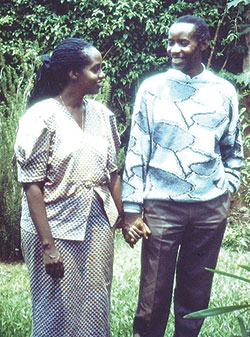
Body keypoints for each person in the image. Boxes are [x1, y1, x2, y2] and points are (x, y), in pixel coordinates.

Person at [121, 15, 243, 337]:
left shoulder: (224, 91)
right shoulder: (152, 89)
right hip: (162, 206)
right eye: (170, 42)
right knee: (152, 296)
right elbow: (137, 147)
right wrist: (132, 208)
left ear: (203, 44)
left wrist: (227, 185)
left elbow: (233, 148)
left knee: (196, 293)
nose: (174, 49)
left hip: (209, 208)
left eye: (183, 42)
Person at [15, 38, 122, 337]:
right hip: (51, 227)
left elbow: (112, 173)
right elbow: (32, 186)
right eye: (96, 69)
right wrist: (48, 246)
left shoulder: (102, 114)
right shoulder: (41, 117)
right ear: (74, 74)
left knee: (95, 301)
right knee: (55, 306)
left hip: (96, 223)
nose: (102, 75)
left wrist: (125, 217)